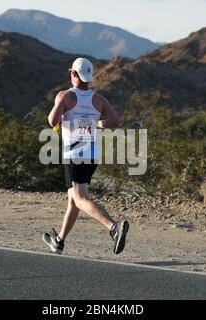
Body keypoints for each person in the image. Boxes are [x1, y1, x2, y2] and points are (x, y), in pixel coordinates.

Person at [43, 57, 129, 255]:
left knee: (80, 198)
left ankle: (113, 227)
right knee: (73, 200)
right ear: (88, 77)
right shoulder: (99, 100)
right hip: (92, 155)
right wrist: (98, 123)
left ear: (73, 73)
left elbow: (52, 121)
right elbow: (115, 121)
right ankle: (59, 240)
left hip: (74, 154)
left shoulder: (65, 96)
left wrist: (61, 110)